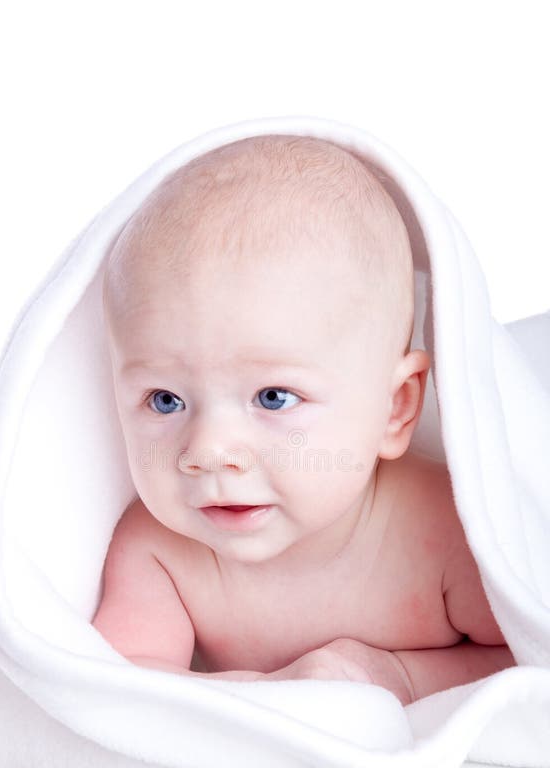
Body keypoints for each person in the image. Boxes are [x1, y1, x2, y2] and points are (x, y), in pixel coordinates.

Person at [92, 134, 515, 706]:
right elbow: (117, 695)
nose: (211, 450)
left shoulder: (452, 536)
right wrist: (277, 695)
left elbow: (526, 662)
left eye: (272, 397)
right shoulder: (157, 550)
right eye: (165, 400)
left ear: (395, 409)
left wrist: (399, 678)